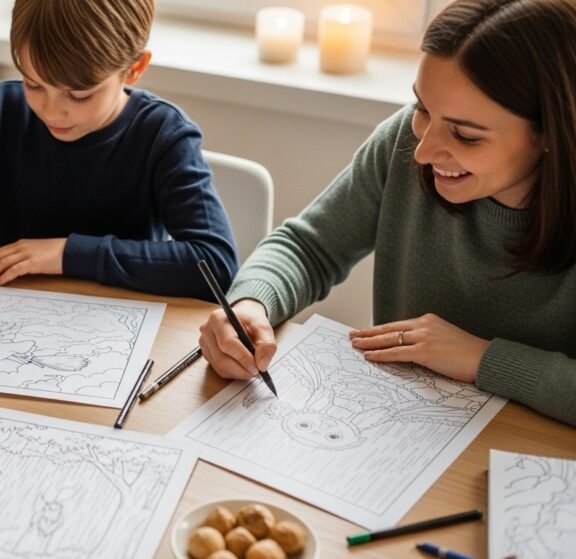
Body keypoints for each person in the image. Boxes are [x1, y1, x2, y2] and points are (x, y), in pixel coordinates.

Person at [198, 0, 576, 426]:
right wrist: (251, 303)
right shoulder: (402, 143)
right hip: (398, 431)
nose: (423, 150)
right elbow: (309, 247)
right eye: (421, 109)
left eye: (466, 135)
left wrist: (482, 358)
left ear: (551, 132)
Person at [0, 0, 238, 311]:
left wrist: (66, 254)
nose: (51, 111)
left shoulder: (163, 135)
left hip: (121, 331)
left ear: (134, 69)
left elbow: (215, 263)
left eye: (79, 96)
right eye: (34, 84)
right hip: (16, 321)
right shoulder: (3, 111)